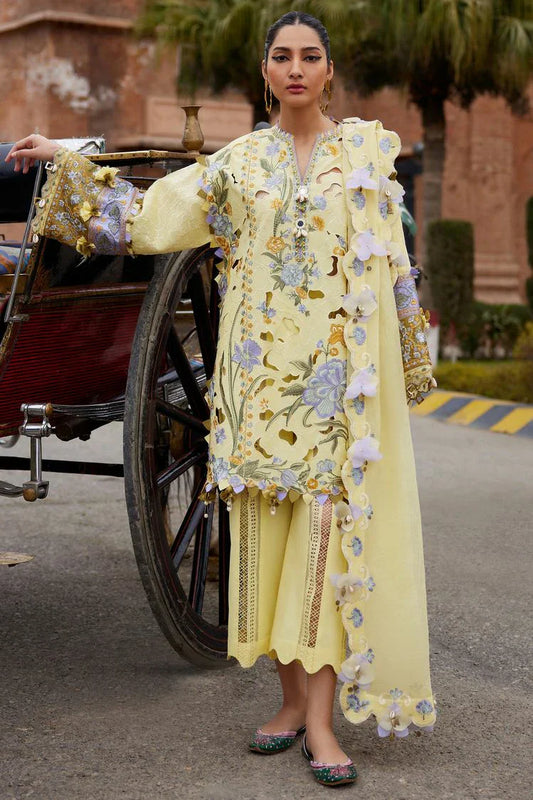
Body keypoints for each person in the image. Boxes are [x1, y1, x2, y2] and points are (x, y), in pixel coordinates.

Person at [6, 11, 437, 787]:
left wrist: (404, 358)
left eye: (310, 56)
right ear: (266, 71)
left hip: (336, 396)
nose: (296, 68)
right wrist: (63, 163)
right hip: (253, 391)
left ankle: (319, 723)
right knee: (265, 550)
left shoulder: (364, 157)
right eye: (282, 56)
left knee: (324, 553)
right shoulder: (237, 164)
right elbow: (146, 218)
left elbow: (395, 264)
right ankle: (286, 703)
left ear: (328, 71)